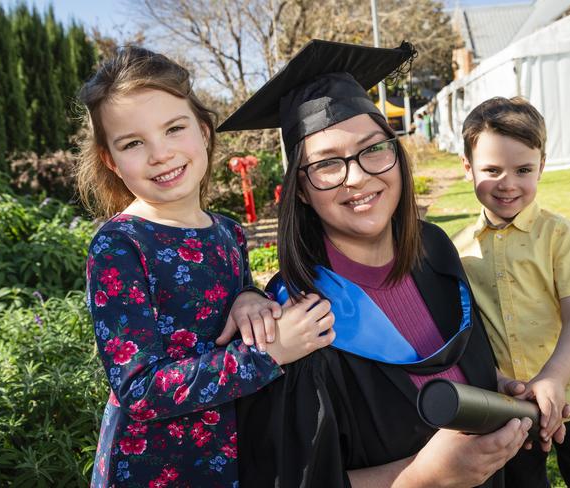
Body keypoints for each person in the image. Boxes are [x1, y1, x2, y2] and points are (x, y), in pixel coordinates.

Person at [218, 40, 548, 488]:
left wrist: (494, 385)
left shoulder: (434, 247)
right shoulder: (293, 325)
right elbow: (290, 478)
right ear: (299, 189)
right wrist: (422, 477)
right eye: (328, 164)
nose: (358, 177)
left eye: (374, 149)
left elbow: (461, 353)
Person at [76, 46, 336, 487]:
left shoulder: (228, 233)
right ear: (110, 160)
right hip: (154, 469)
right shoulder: (120, 245)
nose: (160, 153)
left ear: (202, 130)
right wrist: (268, 354)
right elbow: (138, 389)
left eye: (174, 129)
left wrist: (249, 298)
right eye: (133, 143)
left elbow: (234, 301)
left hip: (236, 455)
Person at [453, 96, 570, 488]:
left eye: (523, 169)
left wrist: (554, 379)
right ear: (467, 168)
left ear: (541, 167)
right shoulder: (459, 251)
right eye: (491, 169)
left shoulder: (559, 235)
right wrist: (493, 379)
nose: (507, 183)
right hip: (510, 408)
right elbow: (467, 333)